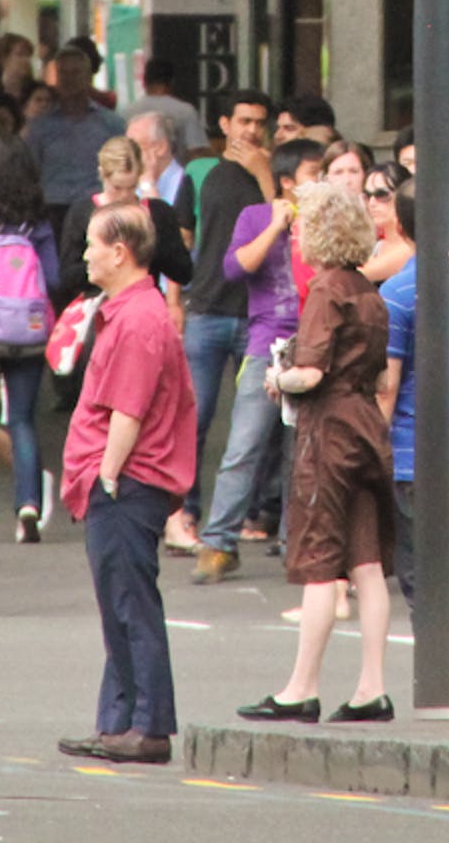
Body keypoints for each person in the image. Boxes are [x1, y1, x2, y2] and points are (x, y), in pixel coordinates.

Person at [236, 183, 394, 725]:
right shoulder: (370, 293)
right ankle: (372, 687)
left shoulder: (326, 290)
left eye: (304, 223)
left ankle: (300, 688)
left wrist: (278, 376)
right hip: (367, 427)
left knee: (321, 563)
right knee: (367, 564)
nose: (297, 231)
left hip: (328, 432)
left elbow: (311, 372)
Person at [57, 204, 196, 765]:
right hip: (121, 479)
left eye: (92, 244)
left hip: (125, 481)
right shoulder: (132, 311)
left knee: (130, 603)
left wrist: (107, 474)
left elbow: (128, 410)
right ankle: (118, 721)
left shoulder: (139, 319)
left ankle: (147, 725)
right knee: (119, 603)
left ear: (120, 251)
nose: (84, 253)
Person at [192, 139, 323, 584]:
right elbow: (234, 268)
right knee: (244, 446)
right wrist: (275, 225)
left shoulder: (325, 220)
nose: (320, 181)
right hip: (266, 343)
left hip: (318, 341)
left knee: (301, 452)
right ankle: (218, 542)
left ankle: (296, 542)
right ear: (287, 182)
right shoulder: (254, 216)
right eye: (312, 174)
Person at [172, 90, 274, 552]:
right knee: (194, 420)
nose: (251, 130)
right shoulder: (199, 172)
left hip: (258, 314)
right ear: (225, 124)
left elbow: (287, 227)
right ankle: (186, 512)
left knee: (253, 429)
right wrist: (175, 299)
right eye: (244, 121)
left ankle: (248, 515)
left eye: (259, 122)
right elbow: (182, 239)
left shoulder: (271, 173)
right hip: (207, 308)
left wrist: (264, 174)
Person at [0, 136, 59, 542]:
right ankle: (29, 504)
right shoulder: (37, 220)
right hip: (31, 330)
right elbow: (53, 277)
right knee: (21, 420)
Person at [58, 137, 192, 314]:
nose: (124, 196)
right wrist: (104, 262)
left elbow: (183, 273)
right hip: (98, 309)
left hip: (145, 310)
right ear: (102, 174)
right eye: (117, 188)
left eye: (131, 187)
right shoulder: (82, 212)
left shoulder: (158, 213)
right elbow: (67, 277)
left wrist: (151, 243)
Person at [25, 47, 126, 240]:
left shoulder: (111, 124)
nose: (69, 79)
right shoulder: (40, 127)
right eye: (64, 73)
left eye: (76, 72)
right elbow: (31, 170)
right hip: (52, 210)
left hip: (94, 208)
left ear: (89, 76)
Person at [377, 178, 418, 613]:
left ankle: (439, 677)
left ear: (401, 230)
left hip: (411, 452)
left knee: (419, 574)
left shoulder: (396, 294)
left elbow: (386, 388)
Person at [122, 58, 209, 163]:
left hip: (137, 175)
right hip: (177, 176)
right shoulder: (185, 111)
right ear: (172, 81)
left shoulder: (126, 113)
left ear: (144, 82)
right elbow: (197, 151)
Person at [361, 161, 413, 284]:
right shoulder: (375, 247)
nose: (372, 203)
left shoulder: (411, 247)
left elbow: (361, 274)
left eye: (381, 194)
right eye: (368, 195)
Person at [127, 112, 188, 208]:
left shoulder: (186, 184)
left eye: (133, 145)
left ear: (161, 148)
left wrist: (147, 183)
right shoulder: (129, 183)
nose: (127, 152)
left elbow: (158, 220)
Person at [0, 32, 36, 102]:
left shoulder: (34, 91)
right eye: (20, 54)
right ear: (4, 58)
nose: (26, 60)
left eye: (28, 55)